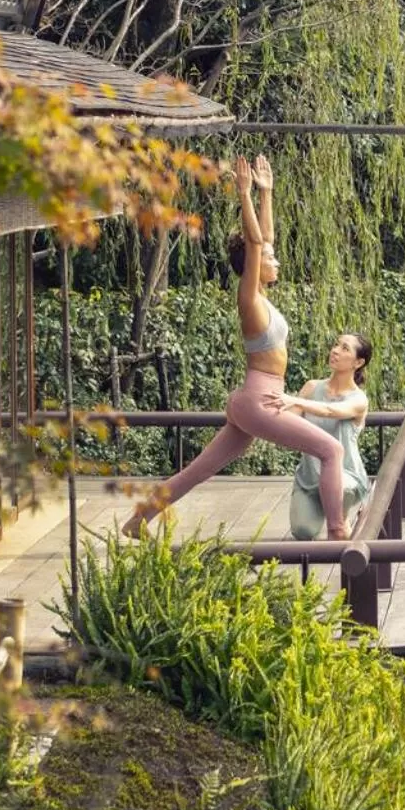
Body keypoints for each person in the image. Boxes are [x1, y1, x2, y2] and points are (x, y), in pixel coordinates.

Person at [122, 154, 350, 539]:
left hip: (257, 400)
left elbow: (264, 239)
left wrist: (266, 193)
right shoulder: (249, 300)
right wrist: (244, 194)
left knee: (199, 470)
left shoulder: (262, 296)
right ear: (253, 265)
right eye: (270, 259)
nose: (277, 260)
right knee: (332, 451)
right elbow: (257, 242)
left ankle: (137, 520)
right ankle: (338, 532)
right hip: (260, 402)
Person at [276, 332, 373, 541]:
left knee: (339, 508)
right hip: (309, 477)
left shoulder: (359, 400)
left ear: (358, 362)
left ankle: (343, 523)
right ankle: (326, 514)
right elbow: (288, 423)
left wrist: (297, 401)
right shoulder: (312, 388)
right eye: (336, 345)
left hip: (345, 477)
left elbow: (331, 411)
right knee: (302, 531)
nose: (335, 351)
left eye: (345, 348)